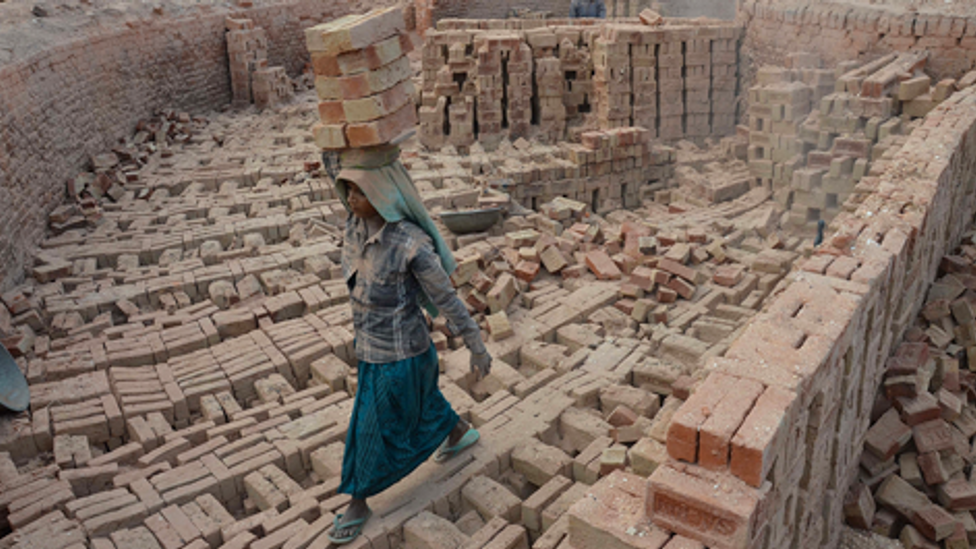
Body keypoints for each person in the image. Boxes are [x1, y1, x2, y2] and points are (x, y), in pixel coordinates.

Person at [327, 146, 493, 545]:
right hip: (369, 349)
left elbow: (448, 299)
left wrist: (476, 345)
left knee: (369, 430)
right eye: (347, 191)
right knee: (423, 404)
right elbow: (331, 161)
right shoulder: (353, 226)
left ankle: (359, 500)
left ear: (384, 195)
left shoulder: (411, 244)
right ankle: (459, 433)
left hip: (402, 356)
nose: (351, 199)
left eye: (361, 192)